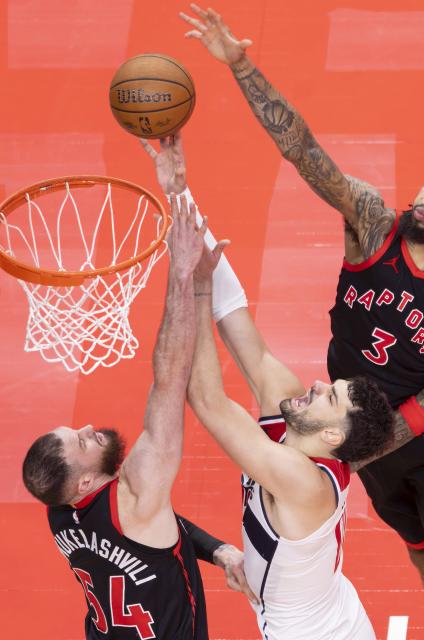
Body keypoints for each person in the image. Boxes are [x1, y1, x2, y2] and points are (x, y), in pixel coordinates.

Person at [179, 5, 424, 638]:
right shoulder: (372, 225)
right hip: (350, 424)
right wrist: (240, 64)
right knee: (420, 556)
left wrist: (356, 450)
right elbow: (302, 149)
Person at [22, 186, 254, 639]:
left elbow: (159, 527)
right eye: (82, 441)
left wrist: (218, 551)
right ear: (86, 482)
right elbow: (170, 376)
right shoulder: (133, 495)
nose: (89, 427)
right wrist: (183, 274)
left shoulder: (62, 511)